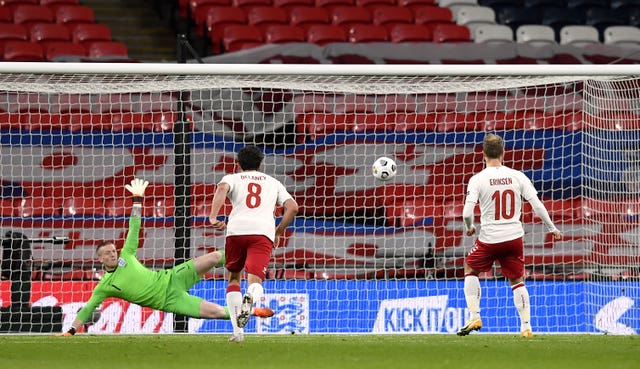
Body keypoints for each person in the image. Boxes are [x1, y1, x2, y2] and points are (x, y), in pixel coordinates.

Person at [57, 178, 274, 336]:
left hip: (171, 277)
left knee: (214, 257)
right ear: (101, 260)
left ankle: (254, 257)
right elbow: (87, 308)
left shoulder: (127, 254)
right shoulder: (105, 285)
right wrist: (70, 331)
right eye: (107, 253)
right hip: (170, 301)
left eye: (113, 250)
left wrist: (137, 200)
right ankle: (252, 311)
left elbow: (134, 228)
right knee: (216, 312)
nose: (113, 254)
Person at [457, 134, 562, 338]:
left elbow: (466, 213)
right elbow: (537, 206)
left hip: (489, 239)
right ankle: (526, 327)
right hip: (514, 238)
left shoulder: (477, 179)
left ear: (483, 154)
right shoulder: (517, 176)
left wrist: (469, 227)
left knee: (470, 267)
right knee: (517, 280)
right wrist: (552, 228)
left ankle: (475, 315)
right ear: (504, 152)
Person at [209, 145, 299, 343]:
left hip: (236, 231)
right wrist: (278, 231)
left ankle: (237, 332)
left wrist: (213, 216)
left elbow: (222, 188)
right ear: (260, 164)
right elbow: (292, 207)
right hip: (262, 233)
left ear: (238, 164)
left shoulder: (231, 178)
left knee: (234, 278)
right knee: (255, 281)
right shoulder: (273, 182)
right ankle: (250, 297)